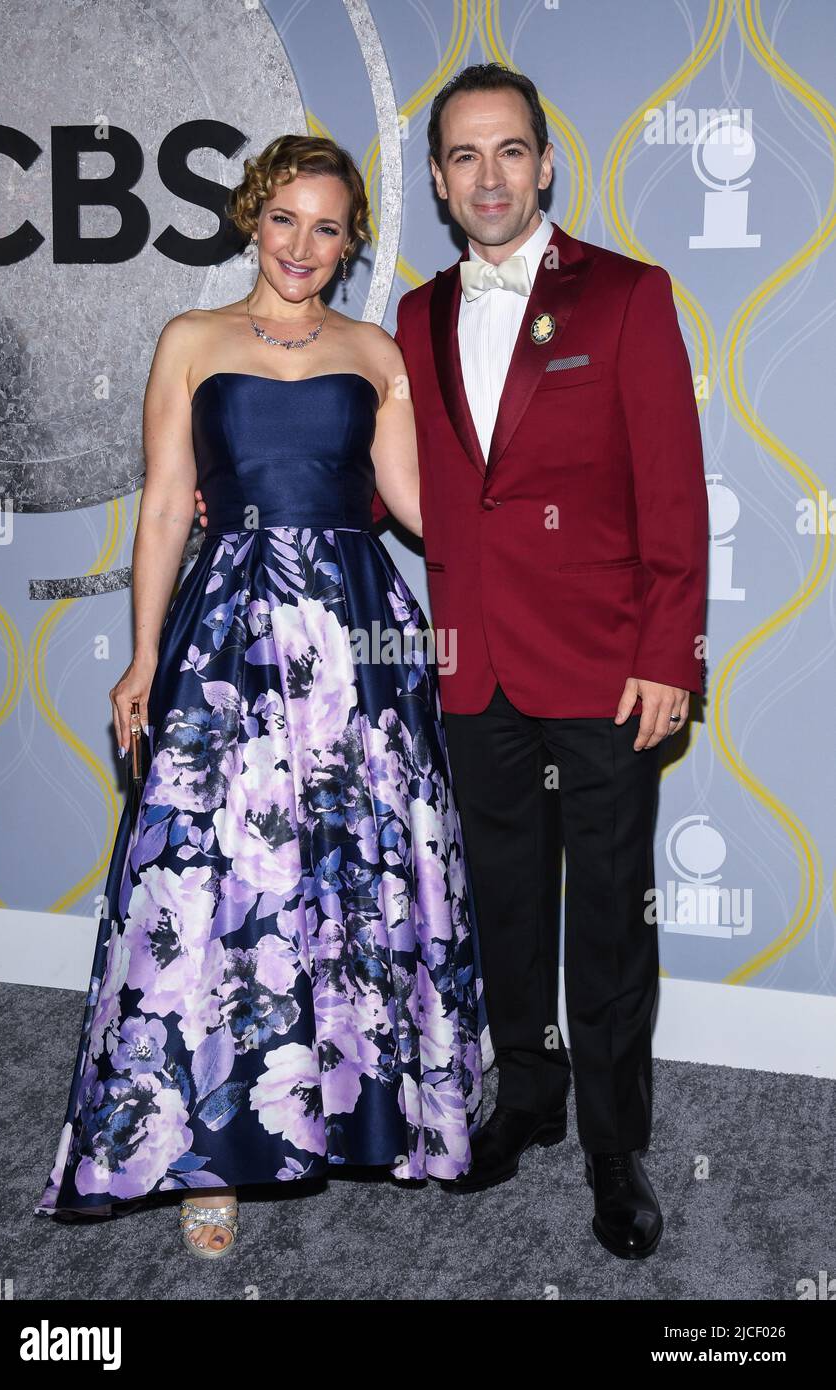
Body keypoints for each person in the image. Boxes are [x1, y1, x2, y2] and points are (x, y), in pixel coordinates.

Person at [200, 67, 710, 1261]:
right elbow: (380, 475)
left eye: (508, 152)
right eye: (463, 157)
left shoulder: (628, 297)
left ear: (543, 164)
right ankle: (524, 1099)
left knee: (608, 924)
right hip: (465, 666)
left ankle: (612, 1144)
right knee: (501, 907)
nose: (487, 176)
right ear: (436, 179)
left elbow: (673, 493)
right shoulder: (412, 321)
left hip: (604, 671)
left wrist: (670, 651)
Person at [34, 134, 483, 1258]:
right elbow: (160, 508)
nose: (302, 245)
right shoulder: (190, 340)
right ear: (251, 215)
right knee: (218, 878)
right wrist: (142, 656)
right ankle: (206, 1148)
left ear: (350, 241)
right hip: (228, 627)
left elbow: (422, 513)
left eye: (328, 226)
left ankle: (362, 1112)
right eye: (284, 218)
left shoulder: (375, 349)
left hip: (355, 635)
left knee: (359, 862)